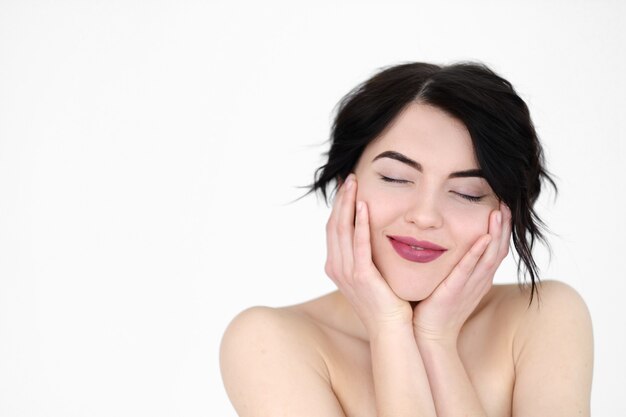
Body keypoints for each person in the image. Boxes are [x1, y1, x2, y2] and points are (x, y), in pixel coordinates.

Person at [219, 62, 593, 417]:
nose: (425, 216)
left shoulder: (542, 317)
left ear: (505, 210)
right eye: (396, 178)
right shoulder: (268, 342)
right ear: (344, 185)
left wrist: (436, 340)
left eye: (467, 193)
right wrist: (389, 329)